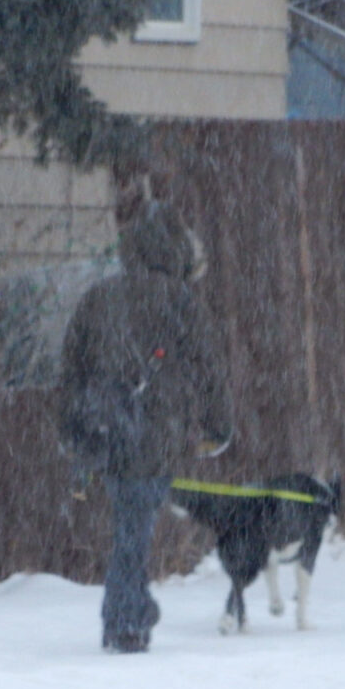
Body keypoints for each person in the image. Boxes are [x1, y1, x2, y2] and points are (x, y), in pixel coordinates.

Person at [59, 183, 233, 653]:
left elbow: (70, 370)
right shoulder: (179, 301)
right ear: (175, 250)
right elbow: (208, 369)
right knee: (133, 532)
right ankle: (127, 620)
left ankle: (130, 610)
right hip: (156, 433)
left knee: (129, 523)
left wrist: (72, 432)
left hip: (106, 433)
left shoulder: (98, 298)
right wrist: (219, 427)